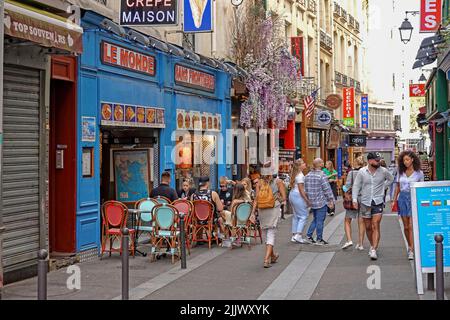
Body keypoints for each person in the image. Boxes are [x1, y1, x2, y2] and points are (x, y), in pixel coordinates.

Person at [352, 152, 394, 260]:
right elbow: (356, 186)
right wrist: (354, 199)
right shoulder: (362, 172)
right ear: (370, 161)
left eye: (379, 159)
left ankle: (374, 249)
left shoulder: (383, 171)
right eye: (376, 160)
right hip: (365, 202)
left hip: (378, 201)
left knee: (375, 224)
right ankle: (372, 245)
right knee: (368, 227)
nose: (378, 161)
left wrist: (383, 187)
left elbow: (391, 179)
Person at [252, 162, 287, 268]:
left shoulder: (259, 183)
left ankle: (273, 256)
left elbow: (256, 199)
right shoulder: (278, 181)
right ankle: (266, 260)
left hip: (262, 209)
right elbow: (284, 197)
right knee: (271, 233)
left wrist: (253, 212)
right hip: (273, 208)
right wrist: (278, 199)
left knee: (266, 233)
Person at [392, 151, 424, 261]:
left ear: (412, 160)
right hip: (402, 199)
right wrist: (394, 199)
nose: (405, 162)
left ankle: (411, 249)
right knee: (405, 226)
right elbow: (397, 186)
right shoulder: (400, 172)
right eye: (404, 160)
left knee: (411, 225)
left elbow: (422, 188)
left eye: (407, 160)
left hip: (414, 198)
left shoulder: (419, 173)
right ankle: (410, 245)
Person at [304, 158, 335, 245]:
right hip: (321, 201)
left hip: (312, 201)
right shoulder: (322, 175)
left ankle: (309, 236)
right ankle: (319, 239)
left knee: (316, 219)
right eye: (322, 162)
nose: (323, 163)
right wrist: (331, 200)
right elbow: (327, 189)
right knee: (320, 220)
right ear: (320, 164)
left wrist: (308, 199)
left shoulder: (308, 175)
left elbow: (305, 189)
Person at [341, 157, 366, 250]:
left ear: (355, 163)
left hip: (352, 198)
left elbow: (347, 187)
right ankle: (360, 244)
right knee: (361, 221)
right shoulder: (365, 172)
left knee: (347, 220)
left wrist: (344, 189)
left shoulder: (351, 173)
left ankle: (349, 240)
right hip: (363, 198)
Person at [289, 159, 310, 244]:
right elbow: (301, 190)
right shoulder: (300, 176)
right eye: (303, 163)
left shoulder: (295, 174)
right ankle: (299, 235)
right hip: (298, 196)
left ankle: (294, 235)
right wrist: (307, 200)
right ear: (299, 166)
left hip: (292, 195)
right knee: (303, 215)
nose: (305, 164)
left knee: (296, 216)